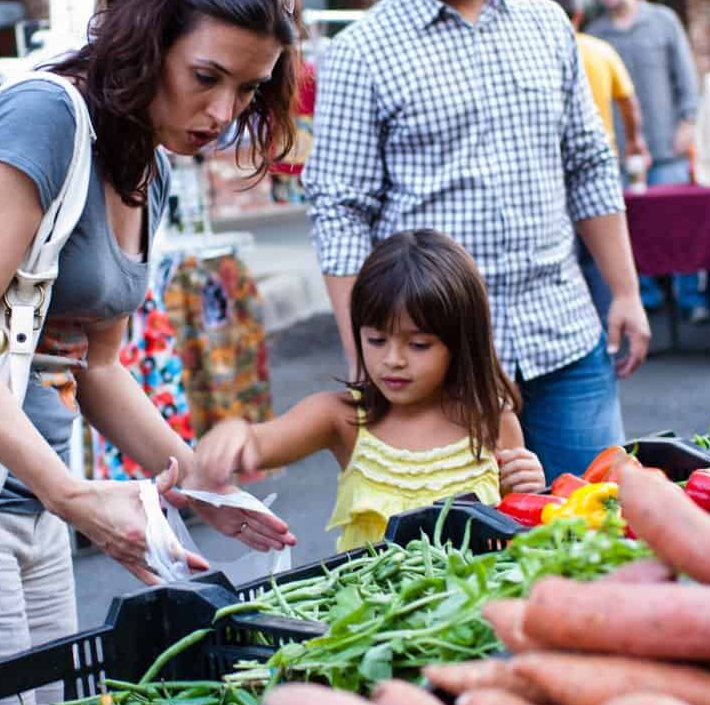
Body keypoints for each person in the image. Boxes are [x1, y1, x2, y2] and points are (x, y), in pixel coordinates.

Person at [0, 0, 298, 690]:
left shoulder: (147, 164)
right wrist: (74, 493)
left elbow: (100, 368)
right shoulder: (42, 119)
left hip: (36, 504)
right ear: (150, 44)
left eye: (247, 91)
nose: (222, 112)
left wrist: (193, 484)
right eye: (206, 76)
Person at [305, 0, 649, 483]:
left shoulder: (547, 26)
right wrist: (369, 363)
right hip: (440, 363)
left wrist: (624, 291)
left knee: (604, 528)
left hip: (564, 340)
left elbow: (589, 165)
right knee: (474, 561)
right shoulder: (360, 53)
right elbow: (341, 213)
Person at [196, 230, 546, 551]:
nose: (392, 360)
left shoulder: (490, 418)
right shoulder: (343, 418)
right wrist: (234, 433)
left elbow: (514, 527)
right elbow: (260, 442)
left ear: (460, 344)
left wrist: (525, 487)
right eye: (376, 340)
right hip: (373, 614)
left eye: (419, 345)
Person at [585, 0, 708, 321]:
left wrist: (688, 122)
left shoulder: (663, 21)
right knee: (631, 231)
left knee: (678, 225)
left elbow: (687, 77)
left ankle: (690, 300)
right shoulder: (595, 34)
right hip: (618, 154)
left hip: (666, 146)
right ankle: (648, 299)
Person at [544, 0, 647, 324]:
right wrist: (635, 140)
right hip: (601, 164)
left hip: (550, 170)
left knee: (564, 257)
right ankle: (608, 330)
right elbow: (629, 102)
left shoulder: (539, 54)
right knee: (603, 258)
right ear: (578, 16)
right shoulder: (599, 51)